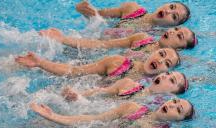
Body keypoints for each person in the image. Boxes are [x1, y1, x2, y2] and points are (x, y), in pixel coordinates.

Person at [15, 48, 180, 81]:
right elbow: (74, 71)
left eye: (166, 63)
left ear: (167, 73)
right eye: (161, 54)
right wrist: (40, 62)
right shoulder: (118, 62)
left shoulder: (154, 93)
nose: (159, 61)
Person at [30, 98, 194, 128]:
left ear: (179, 121)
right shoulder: (132, 109)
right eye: (174, 101)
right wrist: (55, 116)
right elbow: (94, 119)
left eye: (178, 110)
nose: (172, 106)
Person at [76, 1, 190, 38]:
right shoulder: (132, 9)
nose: (168, 11)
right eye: (171, 6)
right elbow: (96, 15)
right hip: (90, 42)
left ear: (172, 26)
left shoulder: (158, 36)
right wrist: (82, 9)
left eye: (174, 16)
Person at [39, 26, 197, 52]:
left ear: (180, 49)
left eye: (179, 36)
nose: (172, 32)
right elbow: (103, 45)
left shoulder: (165, 75)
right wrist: (63, 39)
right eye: (175, 29)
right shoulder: (141, 39)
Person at [61, 71, 189, 102]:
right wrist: (78, 96)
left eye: (171, 80)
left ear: (173, 94)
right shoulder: (128, 84)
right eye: (167, 73)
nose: (164, 76)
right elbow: (100, 92)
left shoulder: (159, 110)